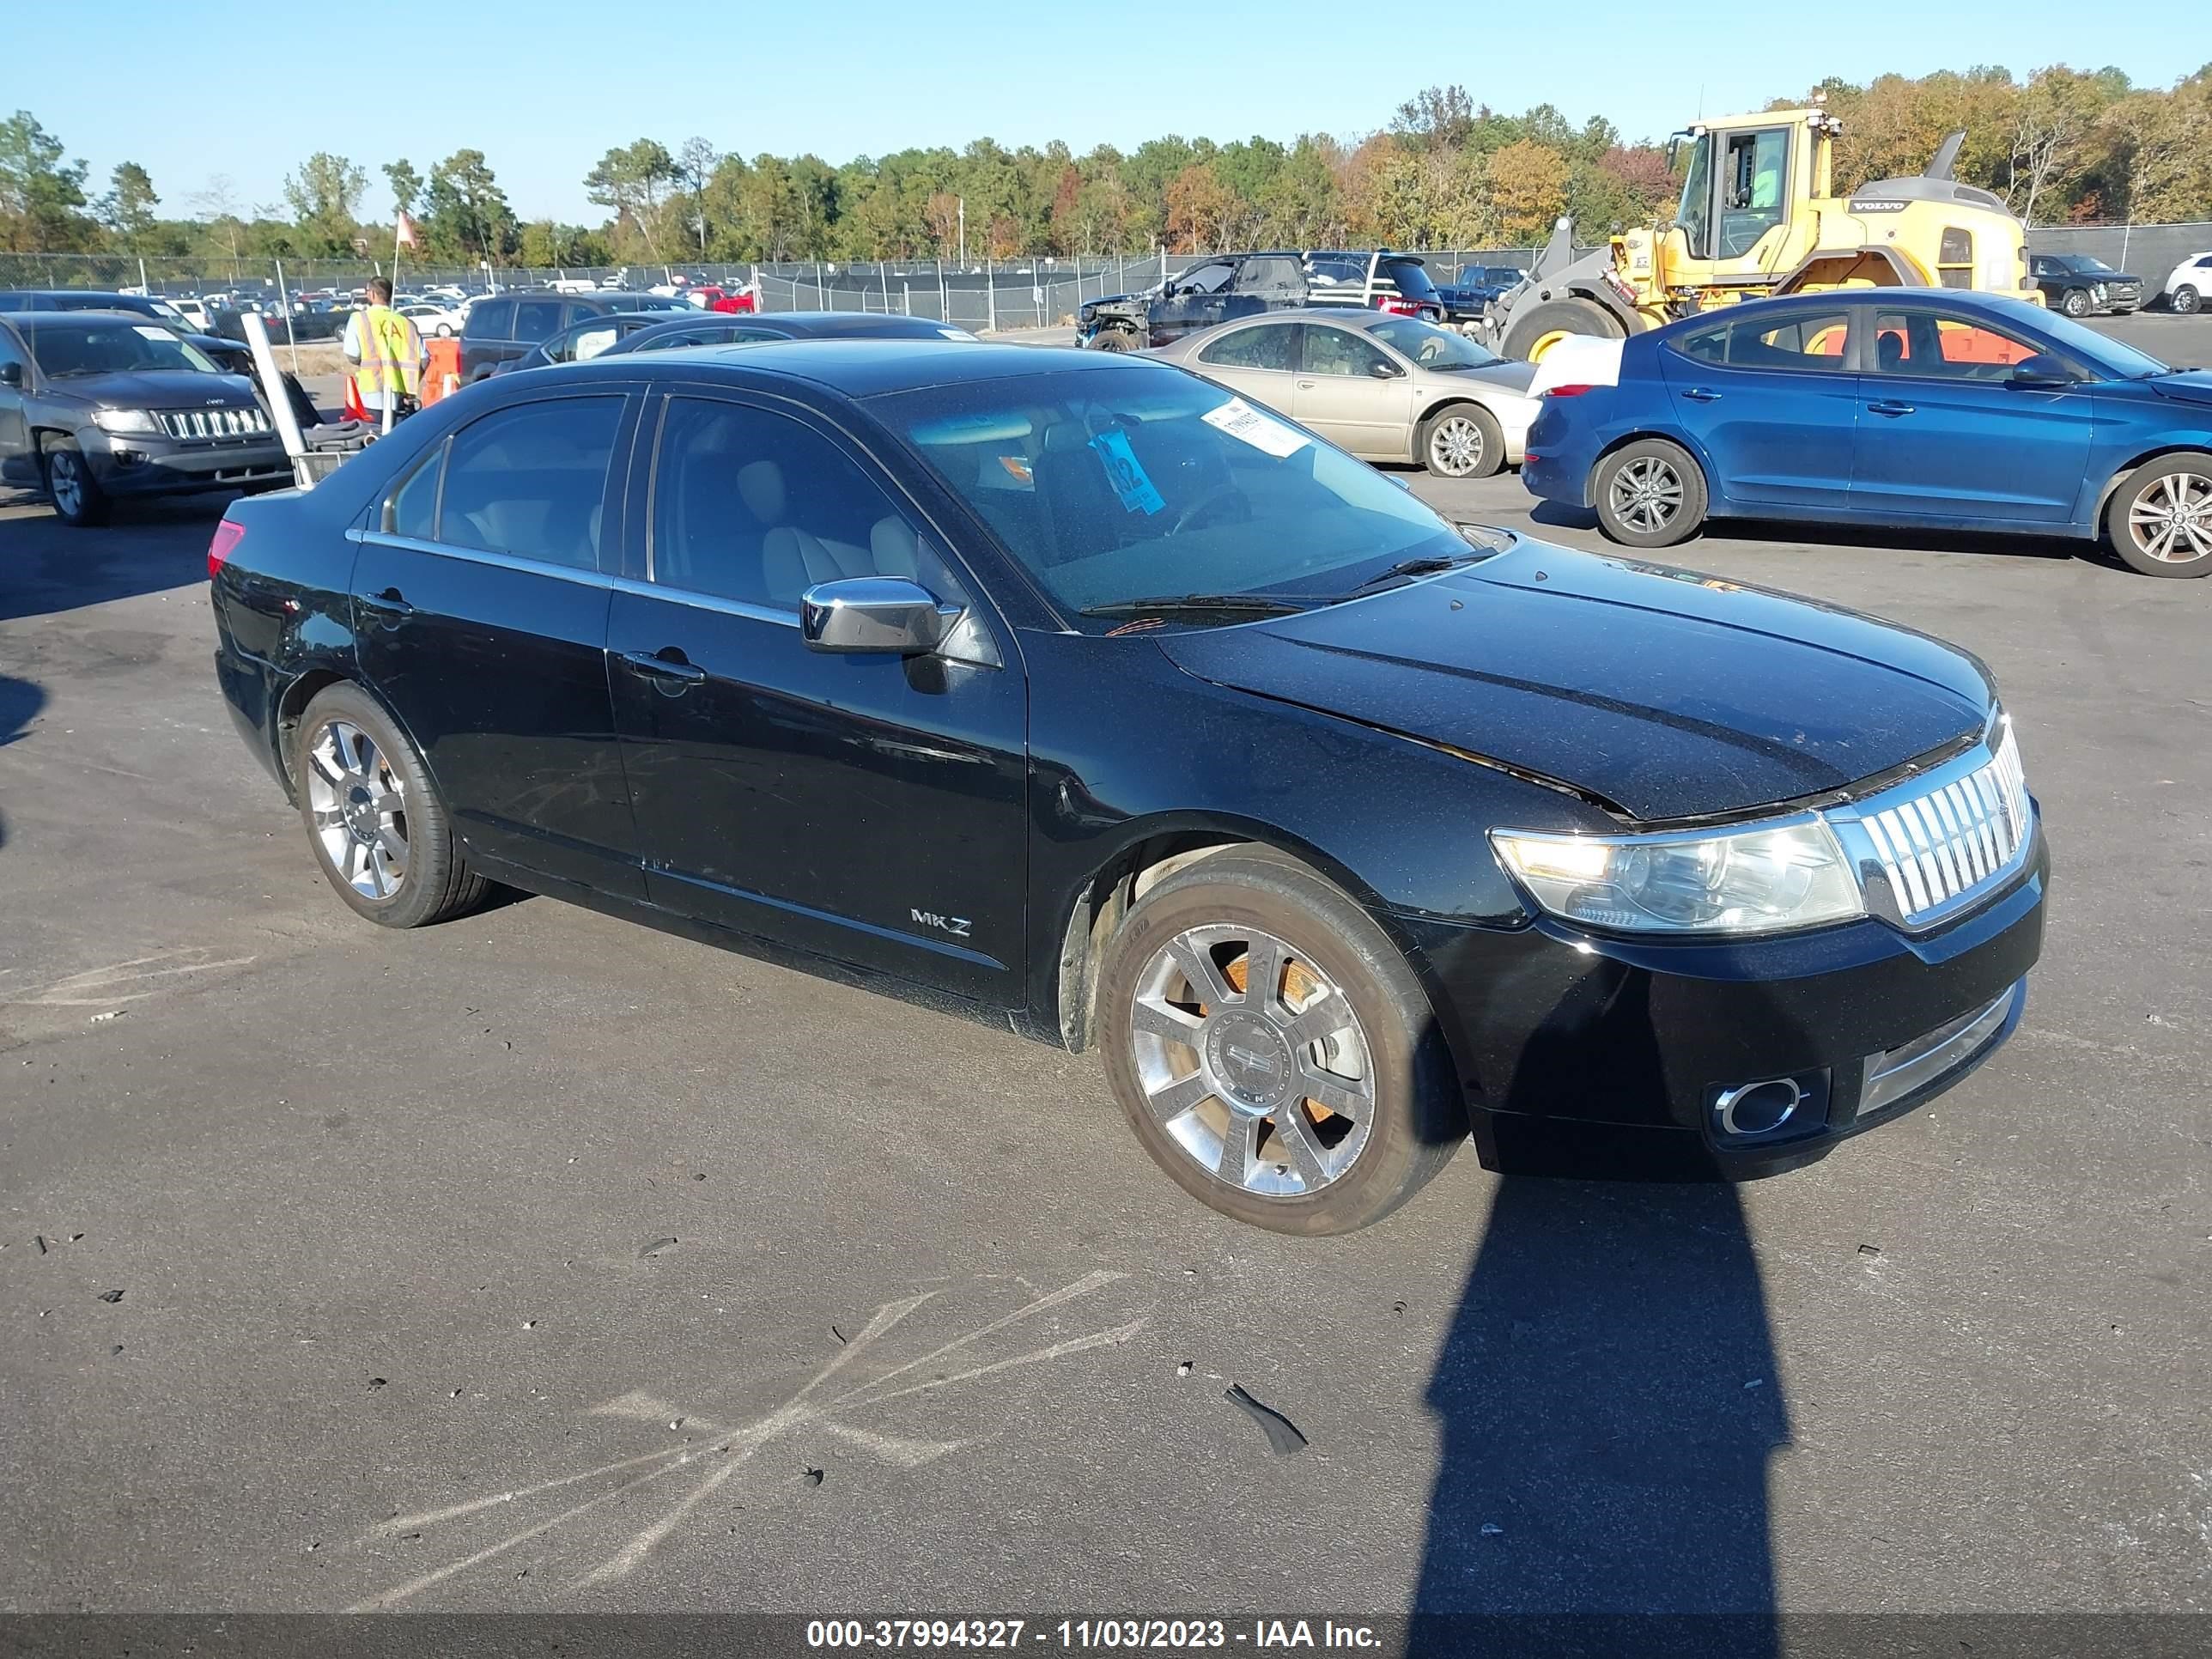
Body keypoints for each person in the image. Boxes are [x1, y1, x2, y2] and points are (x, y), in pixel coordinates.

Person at [342, 277, 423, 428]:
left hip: (372, 393)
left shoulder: (359, 319)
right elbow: (424, 359)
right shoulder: (406, 323)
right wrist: (411, 387)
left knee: (376, 441)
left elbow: (352, 355)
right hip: (401, 396)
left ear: (371, 294)